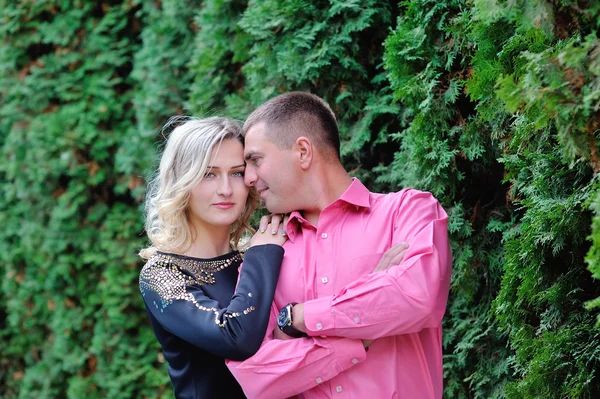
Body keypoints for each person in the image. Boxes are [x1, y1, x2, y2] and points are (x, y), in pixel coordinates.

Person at [226, 92, 452, 399]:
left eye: (255, 160)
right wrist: (362, 331)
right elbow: (254, 376)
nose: (249, 179)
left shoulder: (409, 211)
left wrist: (296, 319)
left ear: (303, 152)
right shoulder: (266, 253)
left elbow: (417, 297)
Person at [138, 116, 287, 399]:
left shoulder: (255, 253)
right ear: (182, 182)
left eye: (236, 173)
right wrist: (262, 253)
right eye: (208, 174)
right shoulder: (161, 274)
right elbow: (237, 338)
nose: (226, 190)